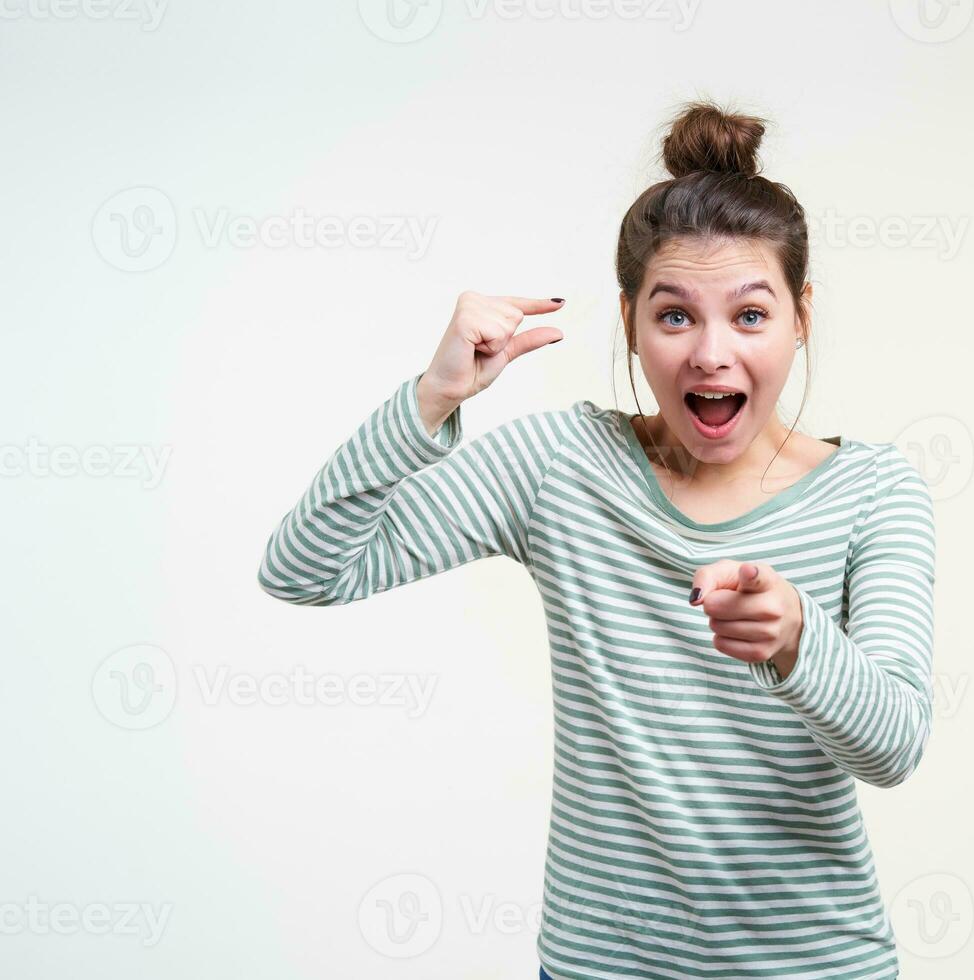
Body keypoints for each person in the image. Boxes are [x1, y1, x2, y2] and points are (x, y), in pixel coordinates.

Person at [258, 99, 938, 979]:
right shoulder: (560, 466)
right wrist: (431, 398)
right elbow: (305, 569)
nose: (711, 355)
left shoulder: (873, 492)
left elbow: (895, 746)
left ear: (801, 317)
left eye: (752, 315)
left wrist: (800, 639)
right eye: (675, 316)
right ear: (629, 322)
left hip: (810, 965)